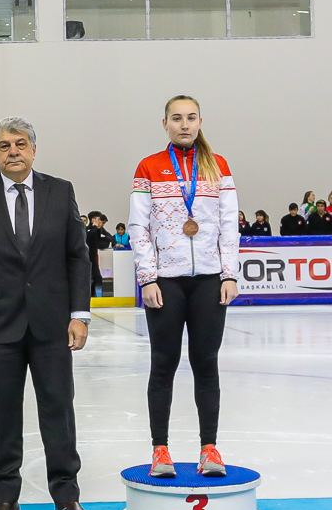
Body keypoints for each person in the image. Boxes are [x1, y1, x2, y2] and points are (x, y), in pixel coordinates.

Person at [0, 116, 92, 510]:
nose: (13, 151)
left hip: (52, 325)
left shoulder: (60, 191)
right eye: (4, 146)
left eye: (20, 144)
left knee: (58, 411)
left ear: (33, 149)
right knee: (3, 414)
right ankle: (4, 498)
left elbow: (77, 257)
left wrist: (79, 315)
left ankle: (66, 497)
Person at [130, 95, 239, 480]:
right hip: (166, 283)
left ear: (200, 122)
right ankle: (160, 449)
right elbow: (138, 227)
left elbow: (229, 224)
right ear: (165, 124)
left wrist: (229, 274)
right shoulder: (149, 167)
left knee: (206, 363)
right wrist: (148, 277)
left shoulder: (218, 166)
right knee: (163, 363)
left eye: (191, 118)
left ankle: (209, 448)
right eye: (176, 118)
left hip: (209, 281)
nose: (184, 124)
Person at [86, 211, 113, 296]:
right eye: (98, 219)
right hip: (86, 258)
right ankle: (90, 295)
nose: (100, 221)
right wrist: (95, 227)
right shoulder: (87, 229)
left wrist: (115, 243)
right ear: (93, 220)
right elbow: (90, 236)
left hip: (93, 258)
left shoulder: (98, 230)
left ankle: (96, 296)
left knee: (97, 278)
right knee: (90, 278)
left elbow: (107, 236)